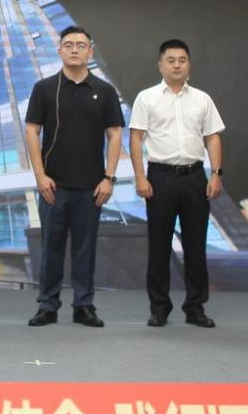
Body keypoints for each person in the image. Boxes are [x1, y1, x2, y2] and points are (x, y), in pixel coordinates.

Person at [25, 26, 124, 328]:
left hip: (91, 186)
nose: (75, 50)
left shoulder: (104, 91)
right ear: (59, 50)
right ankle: (47, 305)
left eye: (81, 45)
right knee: (50, 248)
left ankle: (84, 305)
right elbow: (32, 130)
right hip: (53, 185)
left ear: (90, 51)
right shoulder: (44, 88)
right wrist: (39, 175)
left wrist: (109, 177)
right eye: (68, 45)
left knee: (85, 248)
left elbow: (115, 134)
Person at [129, 39, 225, 328]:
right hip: (160, 178)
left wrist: (216, 173)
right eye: (170, 60)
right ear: (160, 65)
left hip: (195, 177)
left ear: (189, 64)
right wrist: (140, 177)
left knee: (196, 246)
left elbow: (212, 137)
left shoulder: (202, 99)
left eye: (182, 60)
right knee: (159, 246)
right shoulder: (147, 98)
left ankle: (195, 308)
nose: (177, 65)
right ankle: (159, 308)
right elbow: (136, 138)